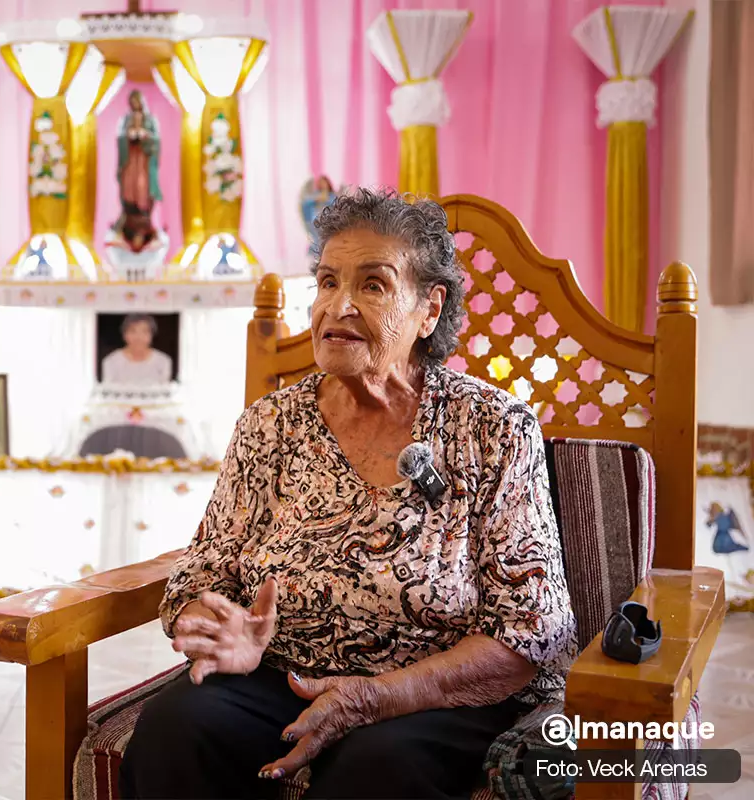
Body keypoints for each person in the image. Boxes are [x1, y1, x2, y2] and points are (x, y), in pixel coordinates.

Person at [119, 188, 577, 799]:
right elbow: (204, 568)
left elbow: (533, 629)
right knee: (174, 730)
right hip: (281, 674)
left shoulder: (492, 428)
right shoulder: (270, 425)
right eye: (327, 281)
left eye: (373, 285)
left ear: (429, 310)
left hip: (434, 694)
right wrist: (212, 621)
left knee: (376, 772)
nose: (338, 305)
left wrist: (376, 696)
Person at [116, 90, 162, 224]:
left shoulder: (150, 119)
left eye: (137, 102)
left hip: (144, 160)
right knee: (129, 185)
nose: (135, 105)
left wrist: (145, 135)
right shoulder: (126, 119)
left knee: (143, 185)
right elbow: (121, 136)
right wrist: (129, 135)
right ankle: (129, 209)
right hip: (130, 158)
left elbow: (156, 139)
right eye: (132, 102)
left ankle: (144, 210)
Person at [101, 314, 173, 386]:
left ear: (152, 335)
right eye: (133, 331)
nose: (139, 337)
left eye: (145, 332)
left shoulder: (163, 361)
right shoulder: (111, 361)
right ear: (124, 335)